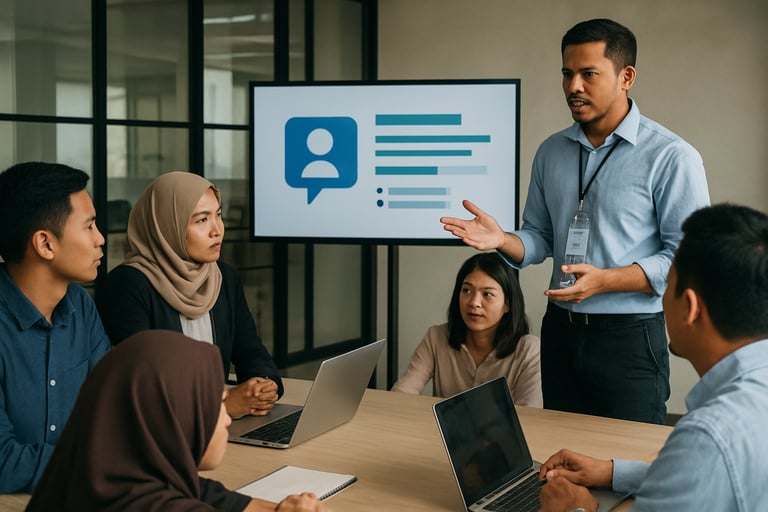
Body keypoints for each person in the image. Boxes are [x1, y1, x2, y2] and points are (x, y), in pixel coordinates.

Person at [440, 18, 710, 423]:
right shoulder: (551, 151)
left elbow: (688, 260)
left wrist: (606, 279)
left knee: (628, 457)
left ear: (626, 77)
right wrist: (503, 240)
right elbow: (539, 237)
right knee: (563, 454)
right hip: (561, 332)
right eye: (567, 74)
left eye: (588, 74)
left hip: (630, 335)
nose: (573, 87)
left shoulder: (671, 156)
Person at [538, 203, 768, 511]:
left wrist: (574, 509)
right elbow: (706, 474)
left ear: (690, 307)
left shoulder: (709, 436)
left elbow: (708, 459)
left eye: (667, 286)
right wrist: (612, 472)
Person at [26, 330, 326, 511]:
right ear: (170, 415)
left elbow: (212, 496)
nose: (225, 418)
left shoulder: (105, 477)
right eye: (217, 403)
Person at [96, 171, 283, 419]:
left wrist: (264, 385)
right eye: (201, 220)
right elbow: (142, 389)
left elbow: (250, 351)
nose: (217, 230)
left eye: (218, 215)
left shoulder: (222, 278)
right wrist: (223, 408)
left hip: (217, 427)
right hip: (164, 431)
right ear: (166, 226)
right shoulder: (127, 285)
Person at [0, 162, 111, 493]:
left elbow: (112, 408)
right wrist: (108, 466)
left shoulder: (80, 306)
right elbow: (4, 463)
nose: (100, 239)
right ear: (45, 244)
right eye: (89, 226)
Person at [392, 252, 542, 407]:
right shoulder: (437, 337)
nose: (474, 302)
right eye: (467, 291)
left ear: (507, 304)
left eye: (487, 294)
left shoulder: (528, 349)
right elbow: (403, 393)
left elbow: (531, 415)